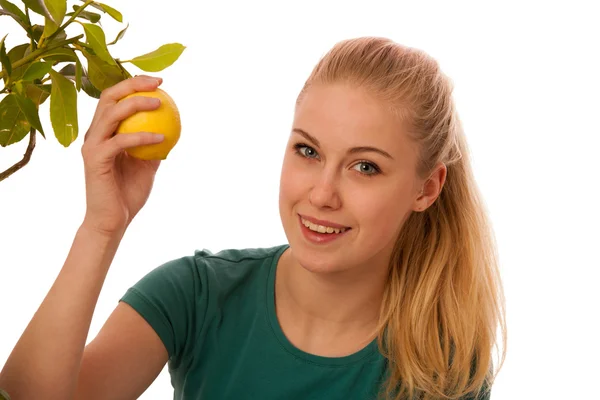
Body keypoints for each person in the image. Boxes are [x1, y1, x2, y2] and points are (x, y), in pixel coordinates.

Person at [0, 37, 506, 400]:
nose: (322, 193)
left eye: (365, 166)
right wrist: (102, 227)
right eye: (308, 151)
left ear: (427, 188)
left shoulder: (445, 366)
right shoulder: (195, 294)